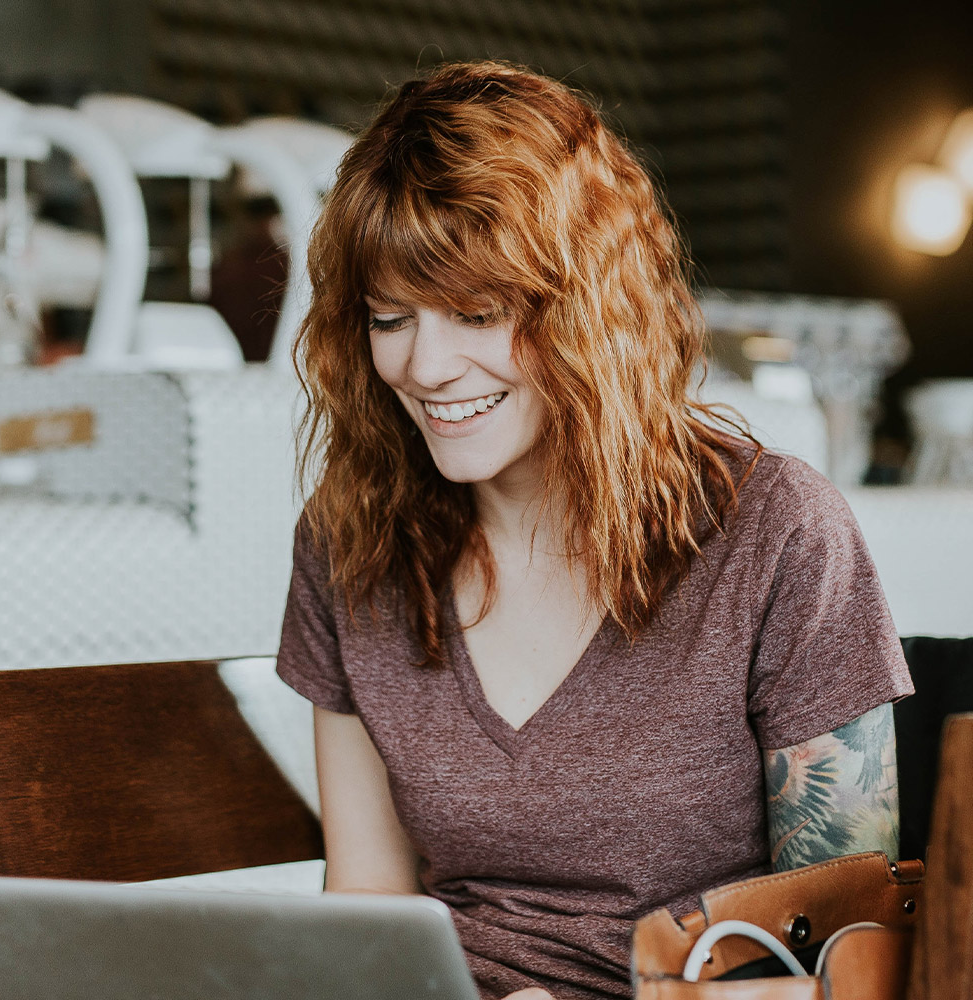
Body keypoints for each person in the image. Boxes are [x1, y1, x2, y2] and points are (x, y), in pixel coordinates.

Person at [276, 61, 913, 1000]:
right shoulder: (350, 544)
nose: (426, 365)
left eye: (480, 313)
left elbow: (856, 965)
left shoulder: (775, 533)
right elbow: (368, 911)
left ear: (589, 309)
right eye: (389, 317)